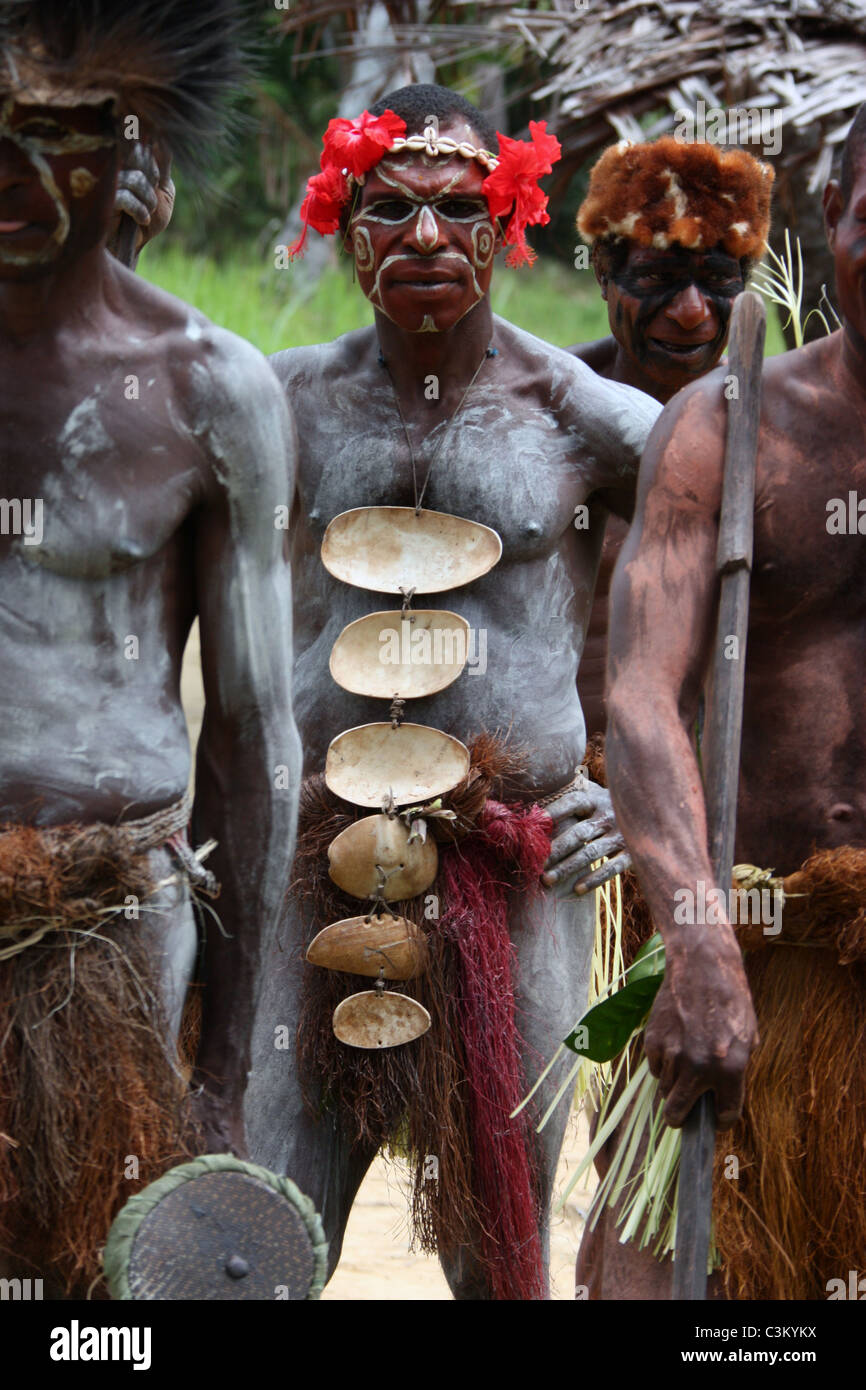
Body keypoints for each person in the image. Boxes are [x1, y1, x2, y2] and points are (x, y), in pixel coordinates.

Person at [239, 82, 662, 1300]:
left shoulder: (584, 422)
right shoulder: (276, 405)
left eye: (458, 209)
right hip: (314, 856)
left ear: (508, 222)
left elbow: (728, 590)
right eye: (390, 209)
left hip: (516, 862)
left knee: (498, 1238)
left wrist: (631, 794)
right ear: (342, 223)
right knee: (266, 1213)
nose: (424, 240)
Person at [0, 0, 299, 1297]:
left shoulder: (206, 387)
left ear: (126, 152)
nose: (12, 172)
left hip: (113, 936)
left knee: (94, 1299)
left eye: (54, 136)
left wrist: (225, 1071)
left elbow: (253, 733)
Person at [597, 102, 866, 1299]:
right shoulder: (721, 424)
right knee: (650, 1278)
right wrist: (697, 941)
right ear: (831, 217)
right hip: (744, 946)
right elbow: (641, 696)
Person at [569, 138, 773, 738]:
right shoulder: (538, 412)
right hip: (552, 790)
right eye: (657, 276)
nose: (690, 311)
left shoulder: (784, 430)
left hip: (725, 787)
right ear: (604, 276)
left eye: (716, 280)